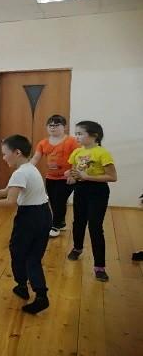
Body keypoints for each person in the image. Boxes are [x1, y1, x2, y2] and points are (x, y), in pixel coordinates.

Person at [0, 135, 51, 314]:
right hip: (44, 214)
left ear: (17, 152)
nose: (3, 158)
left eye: (5, 154)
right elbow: (8, 191)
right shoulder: (30, 168)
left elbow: (10, 201)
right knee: (33, 257)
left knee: (18, 251)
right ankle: (41, 295)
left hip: (29, 217)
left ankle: (22, 285)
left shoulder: (19, 173)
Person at [66, 121, 118, 282]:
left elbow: (112, 177)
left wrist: (87, 177)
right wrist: (70, 176)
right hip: (81, 190)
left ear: (94, 135)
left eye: (80, 133)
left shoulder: (103, 153)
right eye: (76, 133)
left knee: (95, 227)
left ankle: (99, 266)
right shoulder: (76, 152)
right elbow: (74, 172)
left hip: (98, 192)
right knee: (78, 222)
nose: (76, 137)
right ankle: (77, 248)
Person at [30, 115, 79, 238]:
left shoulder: (72, 141)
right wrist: (26, 169)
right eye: (50, 125)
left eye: (57, 125)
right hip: (51, 177)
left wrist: (73, 174)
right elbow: (35, 158)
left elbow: (78, 159)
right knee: (53, 201)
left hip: (66, 178)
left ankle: (55, 225)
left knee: (59, 200)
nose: (53, 128)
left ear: (65, 127)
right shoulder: (43, 143)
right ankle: (61, 223)